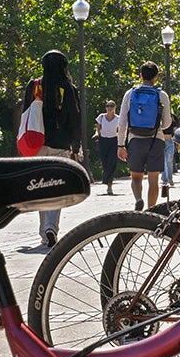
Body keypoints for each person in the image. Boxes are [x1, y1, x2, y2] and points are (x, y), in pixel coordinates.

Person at [34, 49, 83, 247]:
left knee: (40, 188)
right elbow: (75, 118)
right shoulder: (68, 88)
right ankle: (50, 228)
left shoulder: (35, 86)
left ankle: (44, 232)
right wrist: (76, 145)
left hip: (37, 144)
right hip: (60, 146)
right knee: (56, 189)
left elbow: (26, 114)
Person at [116, 61, 173, 210]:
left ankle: (138, 199)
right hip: (156, 140)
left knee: (136, 177)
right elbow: (167, 124)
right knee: (154, 180)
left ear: (141, 75)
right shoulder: (162, 95)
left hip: (135, 139)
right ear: (156, 77)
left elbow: (122, 122)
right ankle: (151, 211)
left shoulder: (130, 94)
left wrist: (121, 145)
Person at [94, 99, 122, 192]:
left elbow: (120, 129)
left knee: (112, 161)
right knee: (105, 161)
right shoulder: (101, 117)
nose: (109, 108)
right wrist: (99, 134)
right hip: (103, 141)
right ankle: (106, 178)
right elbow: (98, 126)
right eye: (108, 106)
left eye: (112, 106)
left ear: (115, 108)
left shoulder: (118, 118)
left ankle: (109, 183)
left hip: (113, 141)